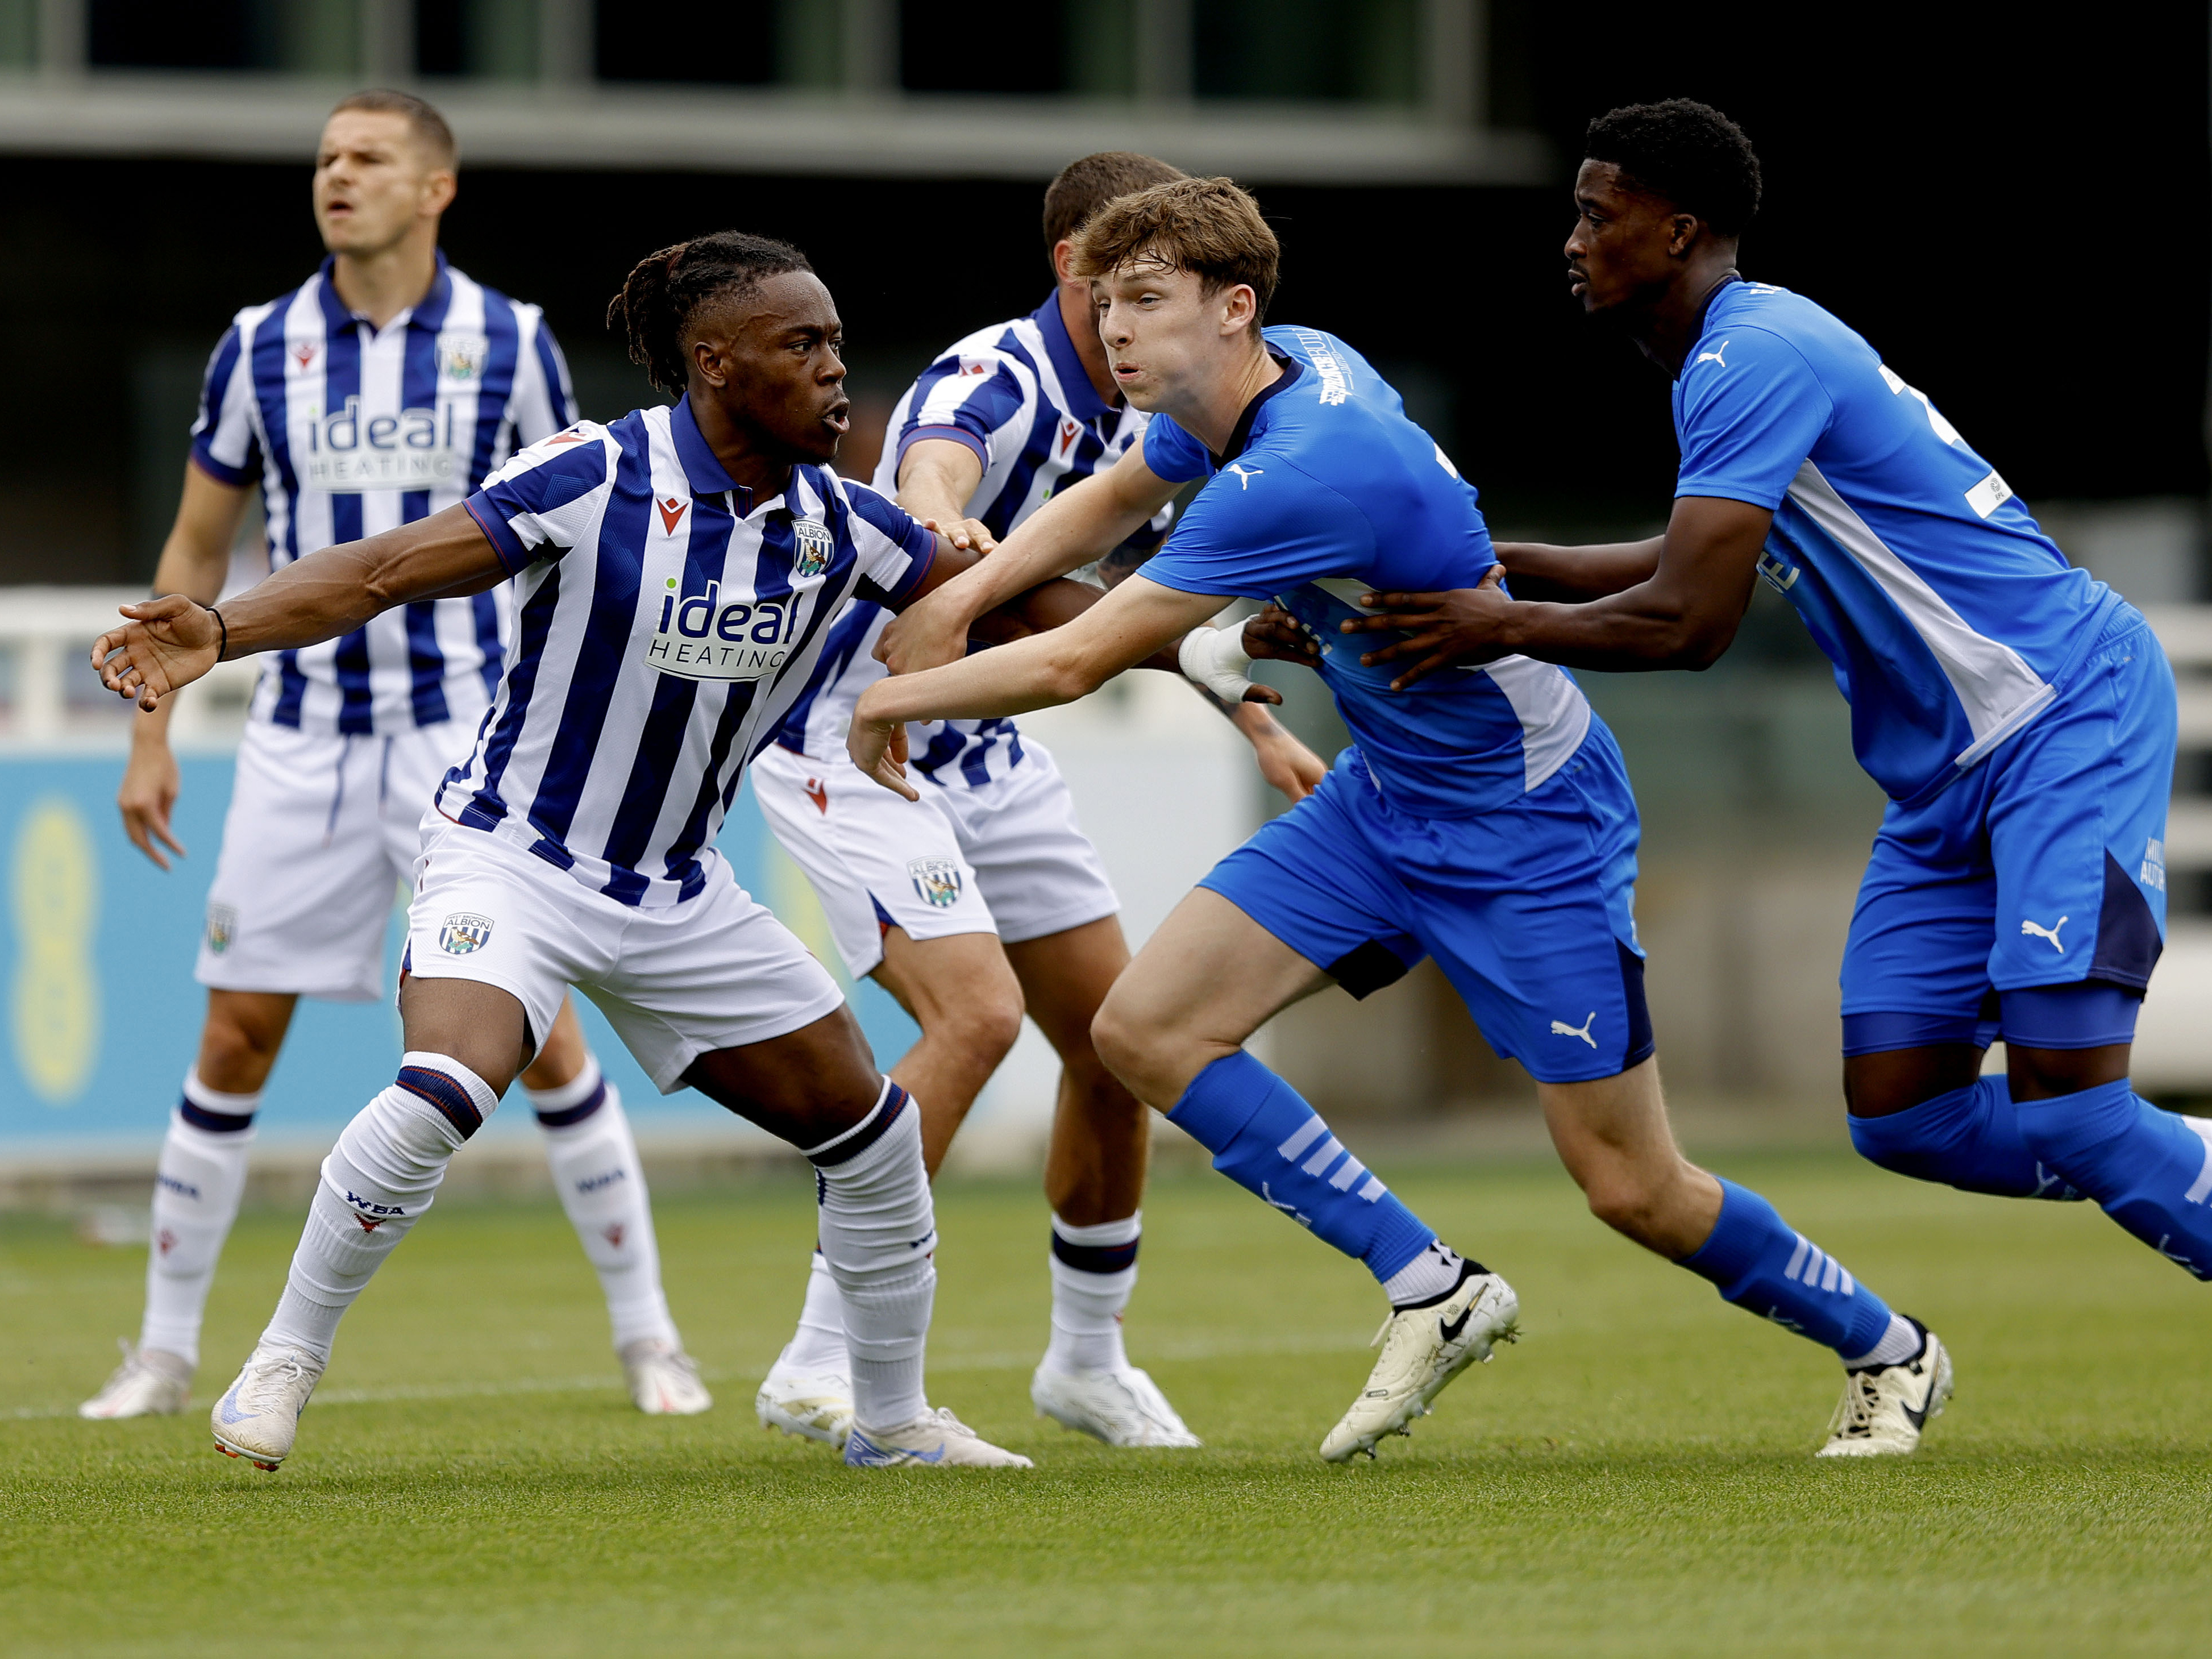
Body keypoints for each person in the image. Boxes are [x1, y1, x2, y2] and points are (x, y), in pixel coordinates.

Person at [90, 229, 1233, 1472]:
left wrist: (1224, 637)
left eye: (837, 343)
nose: (837, 372)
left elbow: (1029, 607)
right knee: (448, 1086)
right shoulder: (593, 474)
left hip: (681, 897)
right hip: (513, 859)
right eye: (803, 346)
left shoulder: (844, 527)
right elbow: (382, 569)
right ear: (715, 364)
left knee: (873, 1134)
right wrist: (222, 623)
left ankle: (890, 1417)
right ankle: (282, 1362)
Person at [850, 176, 1944, 1461]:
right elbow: (1099, 506)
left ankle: (1889, 1345)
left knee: (1632, 1187)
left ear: (1234, 305)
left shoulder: (1298, 465)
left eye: (1146, 300)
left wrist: (892, 694)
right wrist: (951, 606)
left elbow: (1070, 663)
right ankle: (1430, 1282)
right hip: (1380, 800)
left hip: (1526, 822)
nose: (1118, 329)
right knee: (1140, 1030)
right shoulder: (1273, 377)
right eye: (1103, 301)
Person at [1329, 99, 2204, 1336]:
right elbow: (1683, 555)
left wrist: (1494, 622)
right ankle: (2159, 1158)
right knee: (1907, 1116)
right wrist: (1498, 567)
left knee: (2072, 1105)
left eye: (1596, 213)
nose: (1571, 238)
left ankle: (2155, 1168)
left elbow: (1689, 620)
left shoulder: (1751, 352)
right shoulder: (1728, 361)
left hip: (2059, 717)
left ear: (1677, 229)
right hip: (1945, 777)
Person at [77, 89, 708, 1425]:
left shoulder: (509, 339)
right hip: (302, 733)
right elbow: (200, 548)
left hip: (461, 739)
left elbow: (571, 523)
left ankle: (652, 1338)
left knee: (536, 1036)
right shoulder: (260, 344)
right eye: (323, 158)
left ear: (436, 188)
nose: (336, 176)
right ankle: (163, 1351)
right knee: (236, 1032)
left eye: (367, 158)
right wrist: (151, 728)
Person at [750, 151, 1326, 1451]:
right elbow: (937, 478)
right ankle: (817, 1356)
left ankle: (1085, 1359)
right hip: (854, 741)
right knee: (974, 1021)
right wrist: (937, 515)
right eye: (1124, 283)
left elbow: (1111, 605)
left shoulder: (1156, 408)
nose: (1141, 313)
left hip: (985, 756)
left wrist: (1242, 709)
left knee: (1120, 1039)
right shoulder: (991, 377)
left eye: (1163, 287)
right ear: (1071, 266)